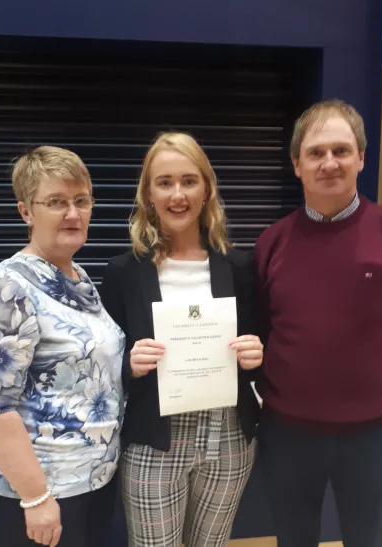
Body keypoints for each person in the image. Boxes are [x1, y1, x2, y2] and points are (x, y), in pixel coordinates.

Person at [254, 100, 382, 547]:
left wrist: (375, 386)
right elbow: (260, 330)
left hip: (373, 436)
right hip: (288, 432)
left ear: (360, 159)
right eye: (316, 153)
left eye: (341, 150)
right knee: (293, 539)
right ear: (297, 165)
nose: (329, 163)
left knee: (368, 539)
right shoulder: (272, 243)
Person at [100, 132, 263, 547]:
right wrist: (127, 364)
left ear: (206, 189)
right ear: (148, 194)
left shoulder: (240, 266)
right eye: (165, 182)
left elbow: (265, 340)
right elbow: (101, 365)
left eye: (189, 181)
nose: (178, 194)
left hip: (228, 435)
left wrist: (257, 352)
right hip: (154, 438)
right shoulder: (123, 272)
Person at [0, 146, 125, 547]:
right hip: (40, 493)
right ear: (26, 212)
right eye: (56, 202)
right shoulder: (8, 289)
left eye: (81, 201)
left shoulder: (78, 279)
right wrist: (36, 497)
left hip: (91, 479)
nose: (73, 213)